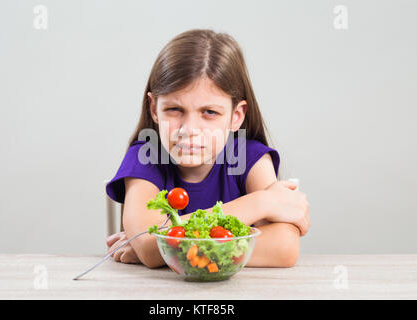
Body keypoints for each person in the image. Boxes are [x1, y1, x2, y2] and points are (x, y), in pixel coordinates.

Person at [105, 29, 310, 268]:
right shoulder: (146, 156)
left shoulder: (249, 157)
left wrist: (172, 251)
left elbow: (283, 249)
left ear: (236, 116)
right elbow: (150, 248)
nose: (189, 129)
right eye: (174, 109)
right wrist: (262, 202)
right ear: (154, 109)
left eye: (210, 112)